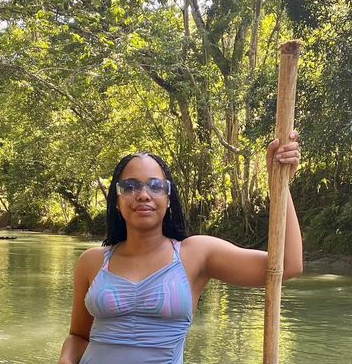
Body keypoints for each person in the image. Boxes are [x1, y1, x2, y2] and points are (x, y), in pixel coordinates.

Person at [57, 132, 302, 364]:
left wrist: (278, 185)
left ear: (169, 198)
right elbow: (79, 336)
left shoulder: (195, 254)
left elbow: (288, 265)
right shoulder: (92, 262)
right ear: (117, 201)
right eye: (130, 187)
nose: (143, 194)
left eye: (156, 186)